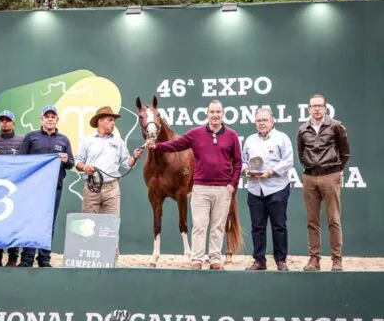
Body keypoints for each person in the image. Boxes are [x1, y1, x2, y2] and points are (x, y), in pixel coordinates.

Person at [147, 100, 241, 270]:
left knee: (217, 227)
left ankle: (214, 259)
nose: (215, 115)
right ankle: (197, 259)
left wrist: (233, 183)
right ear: (207, 114)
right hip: (200, 188)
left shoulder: (232, 135)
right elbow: (176, 144)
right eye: (212, 112)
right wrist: (157, 146)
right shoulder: (196, 133)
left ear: (223, 114)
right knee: (199, 225)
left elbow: (238, 162)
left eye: (218, 112)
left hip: (223, 189)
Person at [297, 94, 350, 272]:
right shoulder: (303, 129)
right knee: (312, 221)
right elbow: (301, 152)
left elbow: (345, 152)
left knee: (333, 219)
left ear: (325, 108)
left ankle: (336, 259)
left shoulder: (336, 126)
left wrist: (335, 169)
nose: (317, 109)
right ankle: (314, 259)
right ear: (309, 108)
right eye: (313, 106)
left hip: (331, 175)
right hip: (309, 177)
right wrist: (310, 167)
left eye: (320, 106)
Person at [17, 105, 74, 268]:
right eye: (47, 116)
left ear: (57, 119)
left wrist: (66, 160)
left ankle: (44, 259)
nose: (50, 119)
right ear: (41, 119)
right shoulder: (31, 137)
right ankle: (27, 259)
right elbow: (22, 161)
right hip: (33, 188)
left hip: (54, 188)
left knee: (49, 223)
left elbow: (71, 163)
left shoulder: (63, 140)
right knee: (31, 221)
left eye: (53, 116)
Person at [242, 107, 294, 271]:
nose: (261, 123)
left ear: (272, 121)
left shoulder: (282, 138)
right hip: (255, 189)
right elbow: (243, 160)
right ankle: (259, 260)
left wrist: (270, 172)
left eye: (264, 120)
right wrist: (245, 170)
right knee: (257, 227)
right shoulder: (250, 140)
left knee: (279, 226)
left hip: (276, 188)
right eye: (258, 120)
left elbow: (289, 161)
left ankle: (281, 260)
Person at [75, 106, 143, 215]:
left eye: (114, 121)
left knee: (110, 227)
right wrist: (84, 167)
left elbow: (127, 164)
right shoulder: (86, 141)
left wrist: (134, 157)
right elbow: (77, 162)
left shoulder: (118, 141)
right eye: (110, 120)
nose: (113, 123)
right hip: (92, 186)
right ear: (100, 121)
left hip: (112, 188)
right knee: (88, 226)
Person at [0, 110, 23, 267]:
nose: (4, 122)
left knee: (14, 222)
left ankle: (12, 257)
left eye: (7, 120)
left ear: (13, 123)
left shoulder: (22, 141)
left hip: (17, 188)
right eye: (2, 120)